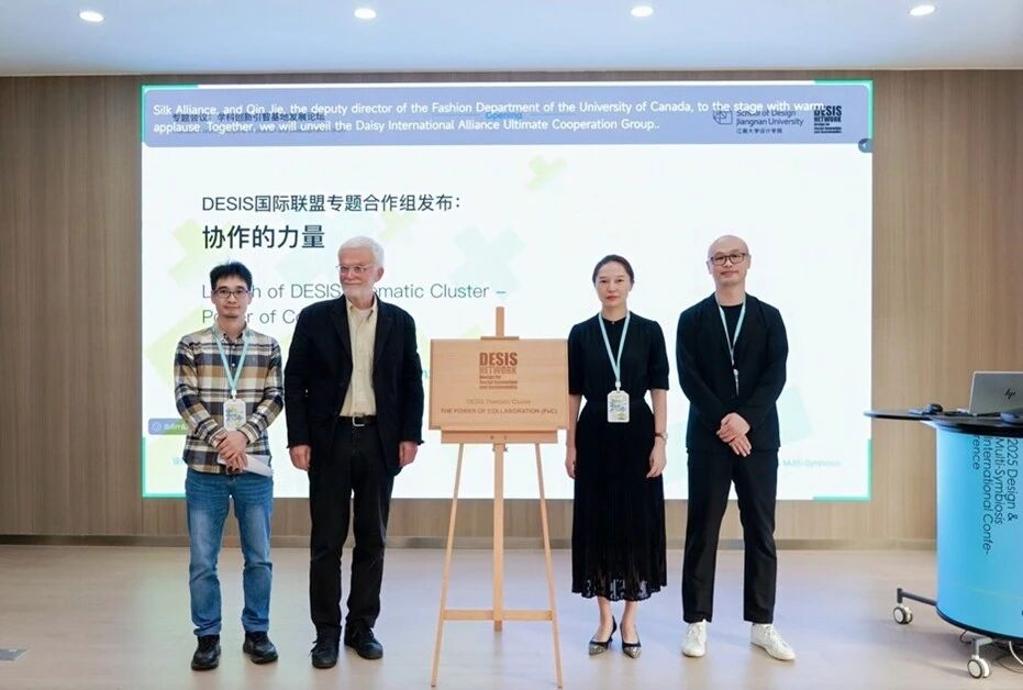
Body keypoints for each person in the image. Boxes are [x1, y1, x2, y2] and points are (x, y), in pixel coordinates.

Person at [285, 236, 425, 669]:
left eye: (358, 267)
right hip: (330, 440)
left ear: (378, 273)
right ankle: (326, 633)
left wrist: (410, 436)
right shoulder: (315, 318)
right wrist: (298, 438)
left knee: (372, 539)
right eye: (343, 267)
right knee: (326, 541)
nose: (349, 275)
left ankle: (361, 627)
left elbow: (412, 382)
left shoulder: (400, 321)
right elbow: (295, 381)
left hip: (380, 440)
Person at [676, 235, 794, 661]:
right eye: (719, 258)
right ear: (708, 266)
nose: (727, 263)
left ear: (748, 262)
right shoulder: (691, 319)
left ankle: (762, 624)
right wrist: (726, 423)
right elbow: (689, 379)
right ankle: (696, 622)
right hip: (708, 440)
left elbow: (775, 375)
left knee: (760, 530)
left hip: (757, 440)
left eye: (735, 256)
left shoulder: (768, 317)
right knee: (702, 529)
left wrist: (745, 420)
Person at [174, 261, 284, 671]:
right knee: (203, 561)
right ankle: (207, 637)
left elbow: (275, 398)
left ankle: (257, 632)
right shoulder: (192, 344)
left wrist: (243, 436)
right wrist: (223, 438)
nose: (232, 298)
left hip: (253, 468)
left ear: (250, 296)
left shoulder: (268, 346)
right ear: (212, 296)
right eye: (224, 291)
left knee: (259, 558)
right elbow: (185, 398)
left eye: (239, 291)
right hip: (205, 469)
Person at [565, 254, 669, 660]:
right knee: (598, 523)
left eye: (619, 279)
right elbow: (572, 393)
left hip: (638, 435)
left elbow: (659, 389)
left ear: (631, 284)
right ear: (595, 286)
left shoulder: (649, 330)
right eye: (604, 280)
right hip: (594, 434)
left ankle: (630, 620)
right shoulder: (580, 333)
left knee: (635, 523)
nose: (611, 287)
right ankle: (604, 618)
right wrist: (570, 443)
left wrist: (660, 440)